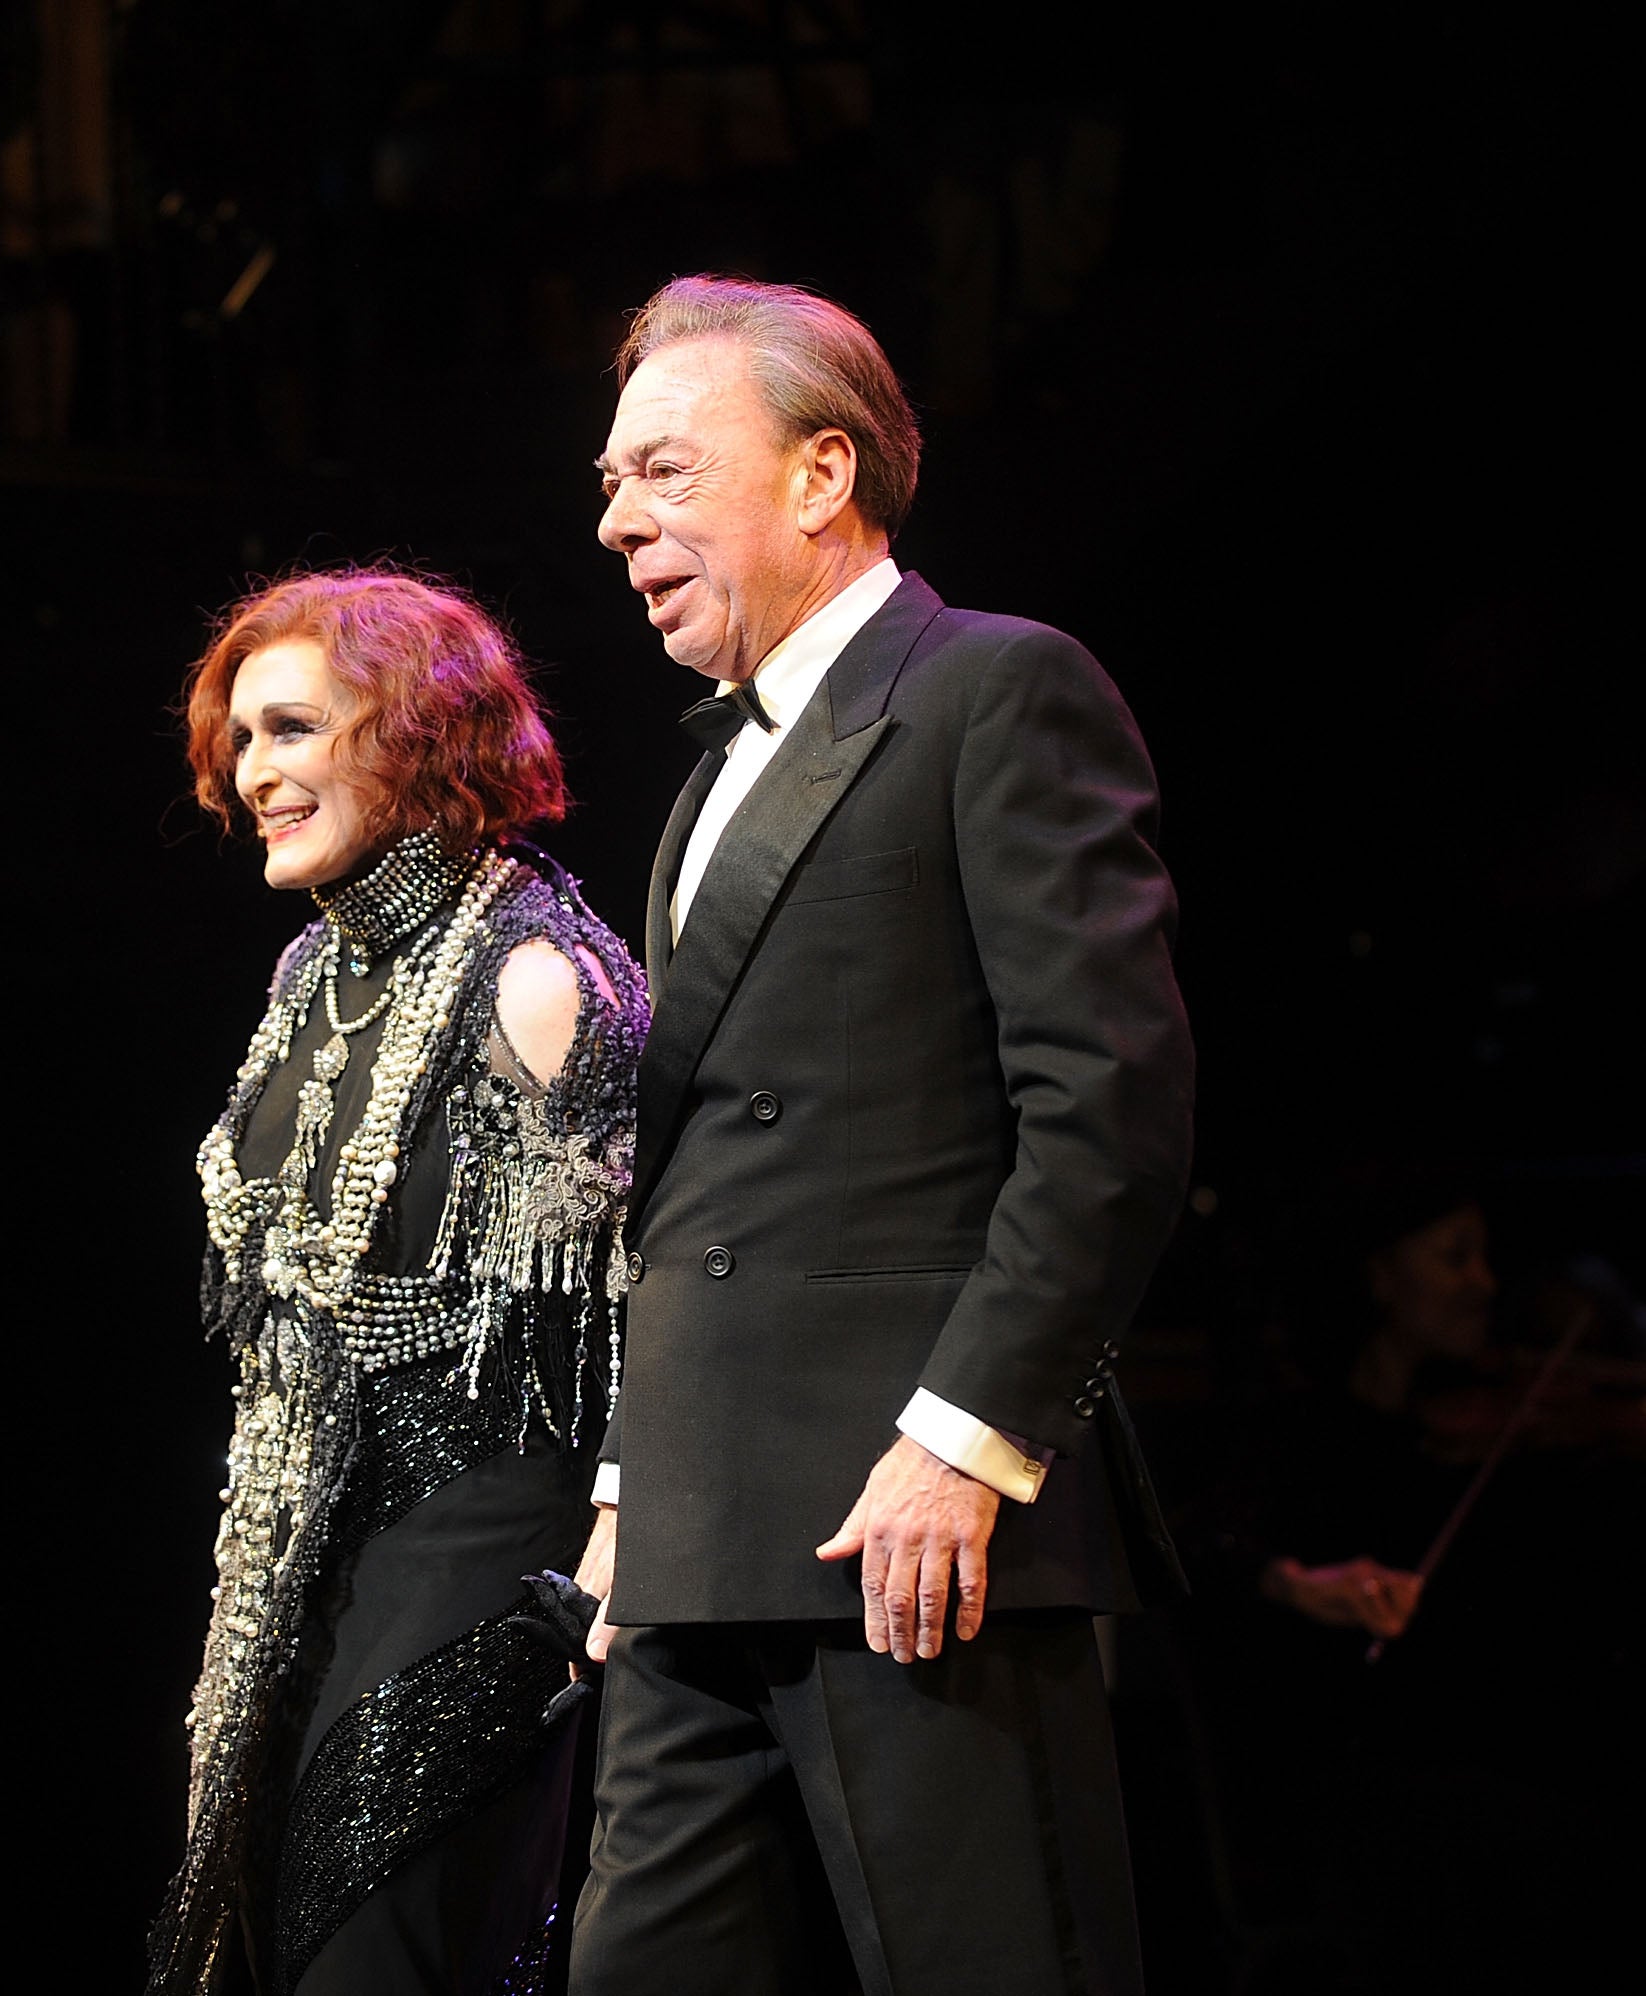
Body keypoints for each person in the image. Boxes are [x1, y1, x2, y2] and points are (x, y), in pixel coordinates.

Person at [564, 277, 1196, 1995]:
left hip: (915, 1531)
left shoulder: (996, 689)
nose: (617, 519)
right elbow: (693, 1179)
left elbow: (1110, 1112)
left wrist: (969, 1439)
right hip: (705, 1529)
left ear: (823, 474)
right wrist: (633, 1479)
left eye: (665, 472)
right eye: (612, 481)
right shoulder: (709, 780)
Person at [146, 569, 646, 1996]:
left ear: (416, 737)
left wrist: (622, 1537)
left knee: (375, 1948)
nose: (254, 775)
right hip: (303, 1556)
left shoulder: (536, 975)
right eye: (243, 741)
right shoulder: (313, 971)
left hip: (485, 1557)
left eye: (292, 730)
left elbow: (668, 1281)